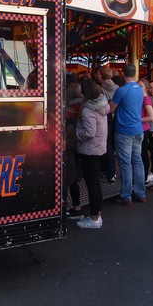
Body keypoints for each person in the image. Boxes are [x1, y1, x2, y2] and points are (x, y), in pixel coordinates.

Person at [110, 63, 147, 205]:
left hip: (124, 130)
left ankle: (126, 195)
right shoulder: (140, 89)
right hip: (138, 129)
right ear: (135, 72)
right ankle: (140, 193)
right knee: (137, 161)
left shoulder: (122, 90)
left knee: (126, 164)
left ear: (122, 73)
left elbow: (111, 108)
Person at [75, 79, 111, 229]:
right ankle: (97, 215)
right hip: (99, 148)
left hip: (89, 150)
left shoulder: (87, 109)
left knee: (92, 185)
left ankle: (94, 218)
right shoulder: (102, 105)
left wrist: (75, 133)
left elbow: (89, 133)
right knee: (95, 184)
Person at [65, 80, 85, 219]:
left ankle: (67, 207)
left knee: (67, 177)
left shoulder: (66, 110)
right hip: (82, 144)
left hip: (68, 145)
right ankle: (77, 206)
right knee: (74, 177)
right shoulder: (85, 106)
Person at [97, 66, 119, 183]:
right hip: (117, 117)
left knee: (106, 144)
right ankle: (112, 173)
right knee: (111, 144)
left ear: (100, 75)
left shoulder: (99, 89)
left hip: (105, 117)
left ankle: (108, 171)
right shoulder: (118, 88)